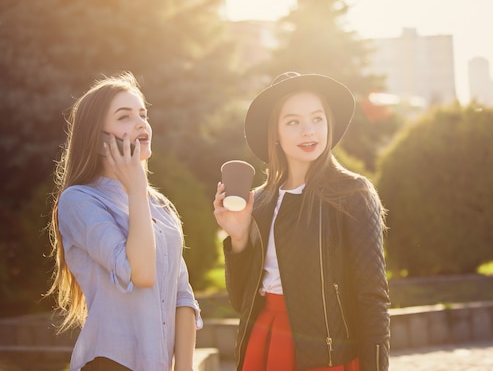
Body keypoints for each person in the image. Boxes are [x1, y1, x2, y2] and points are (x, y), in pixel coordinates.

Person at [213, 72, 390, 371]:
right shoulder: (260, 201)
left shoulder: (353, 193)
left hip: (328, 356)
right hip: (267, 341)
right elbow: (241, 300)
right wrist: (239, 236)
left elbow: (373, 297)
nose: (309, 131)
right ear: (276, 134)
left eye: (317, 119)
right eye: (293, 122)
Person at [46, 72, 202, 371]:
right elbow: (140, 273)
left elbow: (182, 294)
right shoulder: (80, 200)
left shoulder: (158, 204)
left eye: (143, 114)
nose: (142, 123)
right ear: (98, 137)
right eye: (125, 117)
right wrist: (137, 188)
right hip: (110, 362)